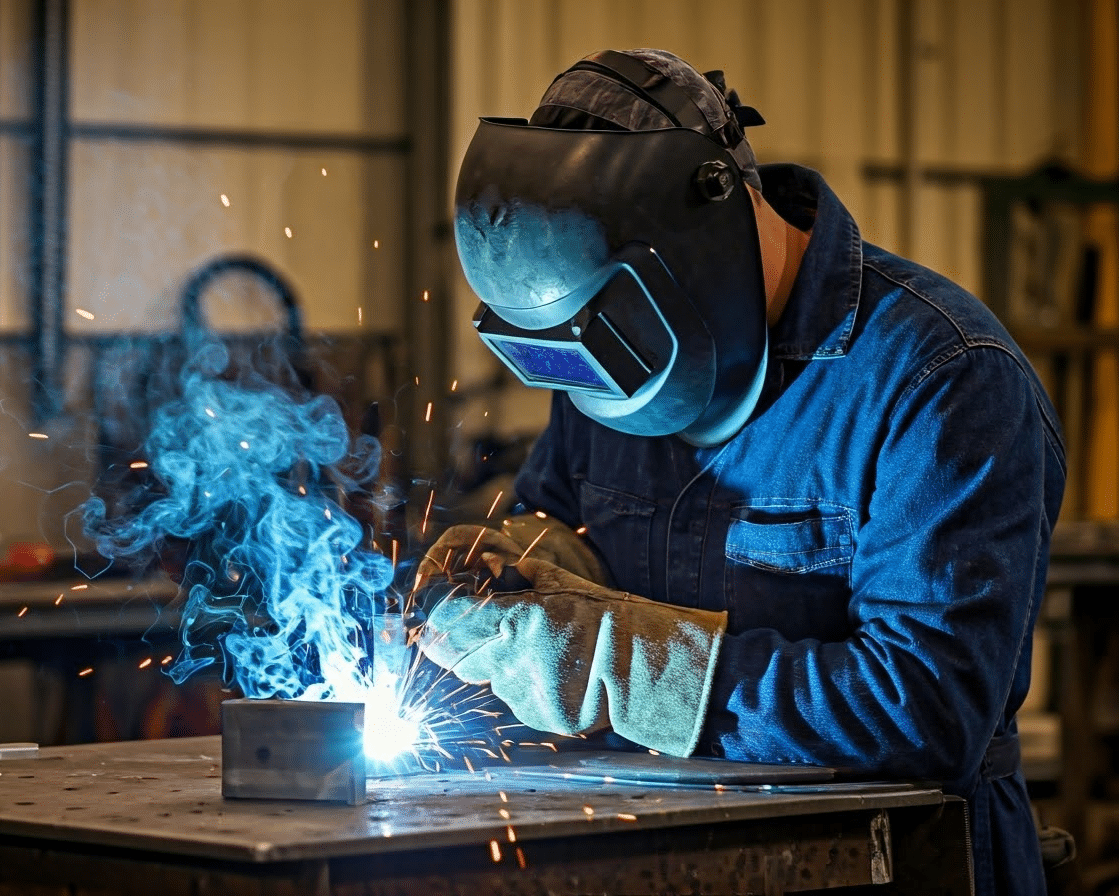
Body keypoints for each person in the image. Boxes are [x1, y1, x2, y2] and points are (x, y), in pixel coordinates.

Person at [415, 48, 1066, 895]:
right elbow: (563, 514)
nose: (603, 387)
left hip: (891, 868)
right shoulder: (600, 354)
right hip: (660, 855)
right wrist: (520, 572)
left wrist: (614, 662)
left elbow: (926, 711)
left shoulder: (942, 378)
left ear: (705, 236)